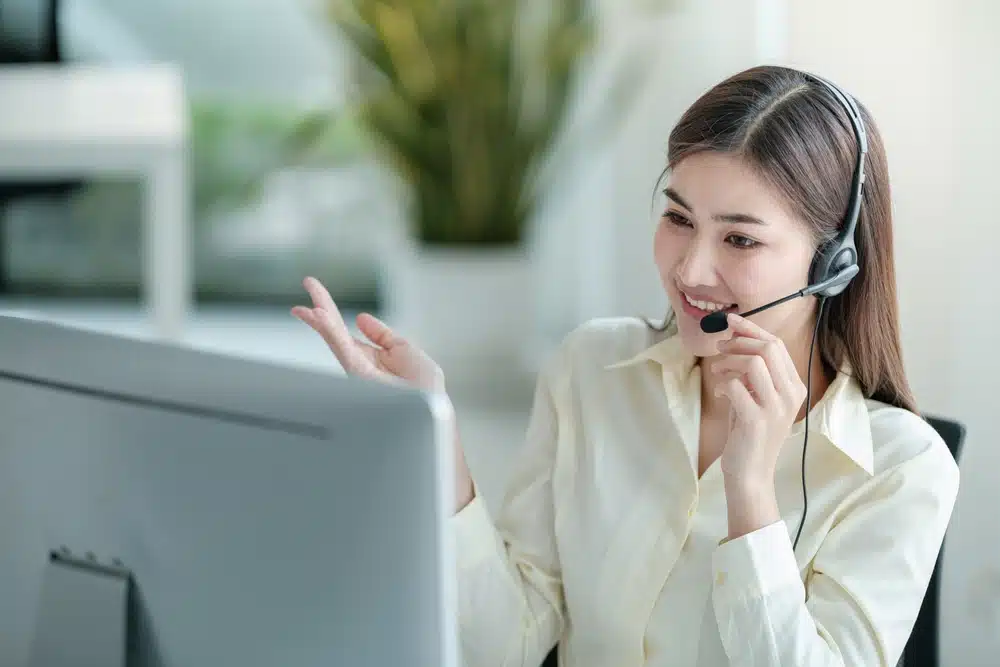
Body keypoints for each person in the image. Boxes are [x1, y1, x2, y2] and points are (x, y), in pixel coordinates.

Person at [292, 65, 959, 667]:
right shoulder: (591, 369)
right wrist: (437, 441)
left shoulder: (903, 467)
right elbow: (507, 646)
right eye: (677, 217)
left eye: (740, 238)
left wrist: (751, 495)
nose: (691, 270)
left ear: (832, 263)